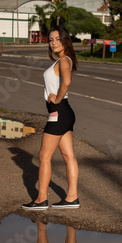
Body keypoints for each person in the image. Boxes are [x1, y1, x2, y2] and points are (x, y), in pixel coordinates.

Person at [22, 26, 79, 210]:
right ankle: (72, 198)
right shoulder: (64, 60)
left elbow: (67, 82)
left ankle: (41, 199)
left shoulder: (63, 60)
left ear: (65, 41)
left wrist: (57, 98)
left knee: (44, 156)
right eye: (51, 39)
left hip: (59, 112)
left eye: (57, 39)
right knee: (68, 155)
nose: (53, 42)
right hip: (65, 113)